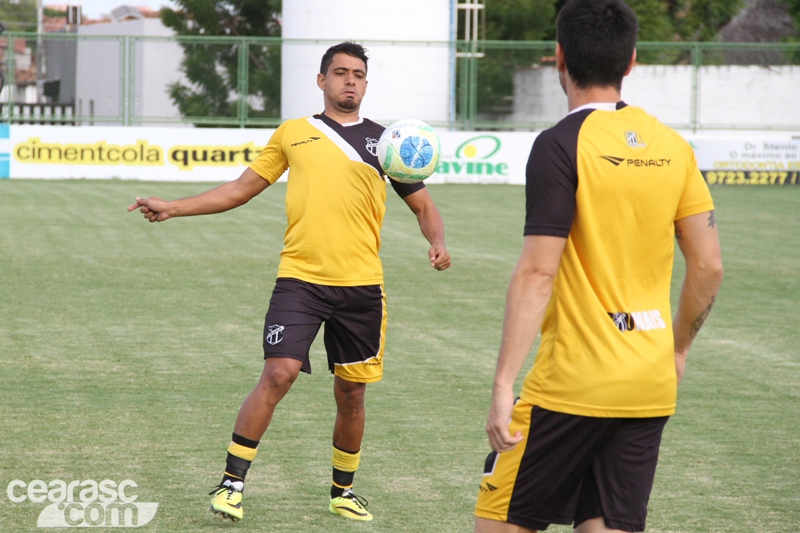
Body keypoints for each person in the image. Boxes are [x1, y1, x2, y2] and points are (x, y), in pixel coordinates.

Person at [128, 41, 450, 523]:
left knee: (352, 393)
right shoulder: (293, 133)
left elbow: (423, 206)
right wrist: (173, 207)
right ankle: (231, 484)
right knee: (277, 374)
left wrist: (437, 241)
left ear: (366, 83)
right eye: (339, 73)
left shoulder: (387, 143)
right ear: (321, 81)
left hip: (362, 288)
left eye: (358, 74)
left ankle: (343, 491)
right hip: (301, 280)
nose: (349, 81)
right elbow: (239, 190)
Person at [473, 1, 723, 532]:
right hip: (647, 383)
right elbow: (709, 267)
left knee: (500, 523)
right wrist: (676, 347)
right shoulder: (674, 147)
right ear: (630, 60)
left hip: (571, 385)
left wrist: (502, 385)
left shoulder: (559, 145)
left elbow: (539, 272)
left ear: (559, 58)